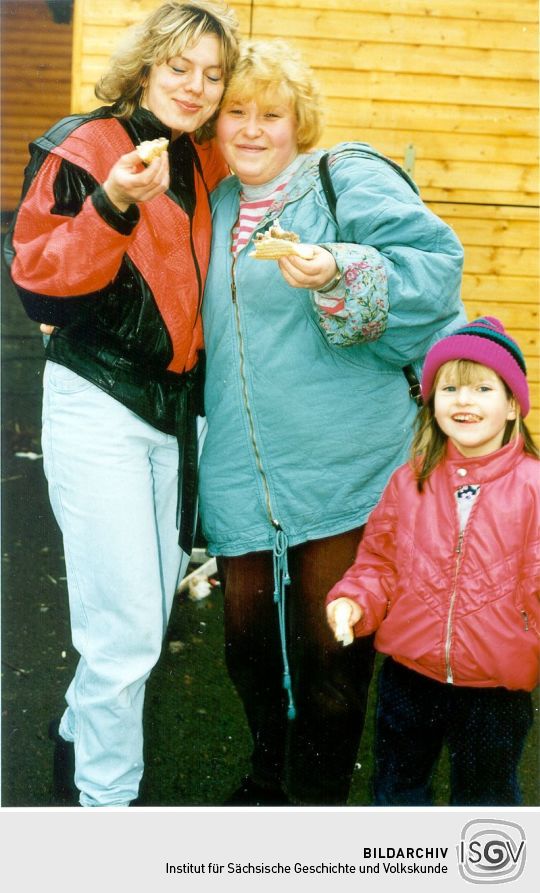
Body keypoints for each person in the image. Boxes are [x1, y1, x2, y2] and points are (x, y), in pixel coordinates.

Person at [198, 38, 466, 806]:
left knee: (330, 658)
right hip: (242, 476)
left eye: (271, 114)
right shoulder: (213, 208)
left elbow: (435, 267)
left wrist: (338, 267)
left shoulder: (340, 175)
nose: (251, 129)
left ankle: (311, 811)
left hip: (345, 466)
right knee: (247, 646)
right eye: (236, 114)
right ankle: (266, 773)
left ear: (299, 122)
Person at [3, 0, 239, 808]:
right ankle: (107, 813)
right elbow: (40, 284)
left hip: (176, 413)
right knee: (128, 631)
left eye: (212, 75)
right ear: (145, 65)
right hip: (98, 396)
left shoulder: (205, 158)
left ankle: (73, 741)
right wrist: (111, 202)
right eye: (179, 67)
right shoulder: (84, 146)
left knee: (145, 609)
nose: (196, 87)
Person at [327, 316, 539, 806]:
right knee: (398, 791)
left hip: (496, 690)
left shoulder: (534, 488)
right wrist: (354, 602)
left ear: (511, 405)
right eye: (450, 388)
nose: (464, 401)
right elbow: (379, 563)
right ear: (432, 401)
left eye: (483, 388)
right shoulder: (409, 482)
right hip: (409, 676)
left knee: (486, 802)